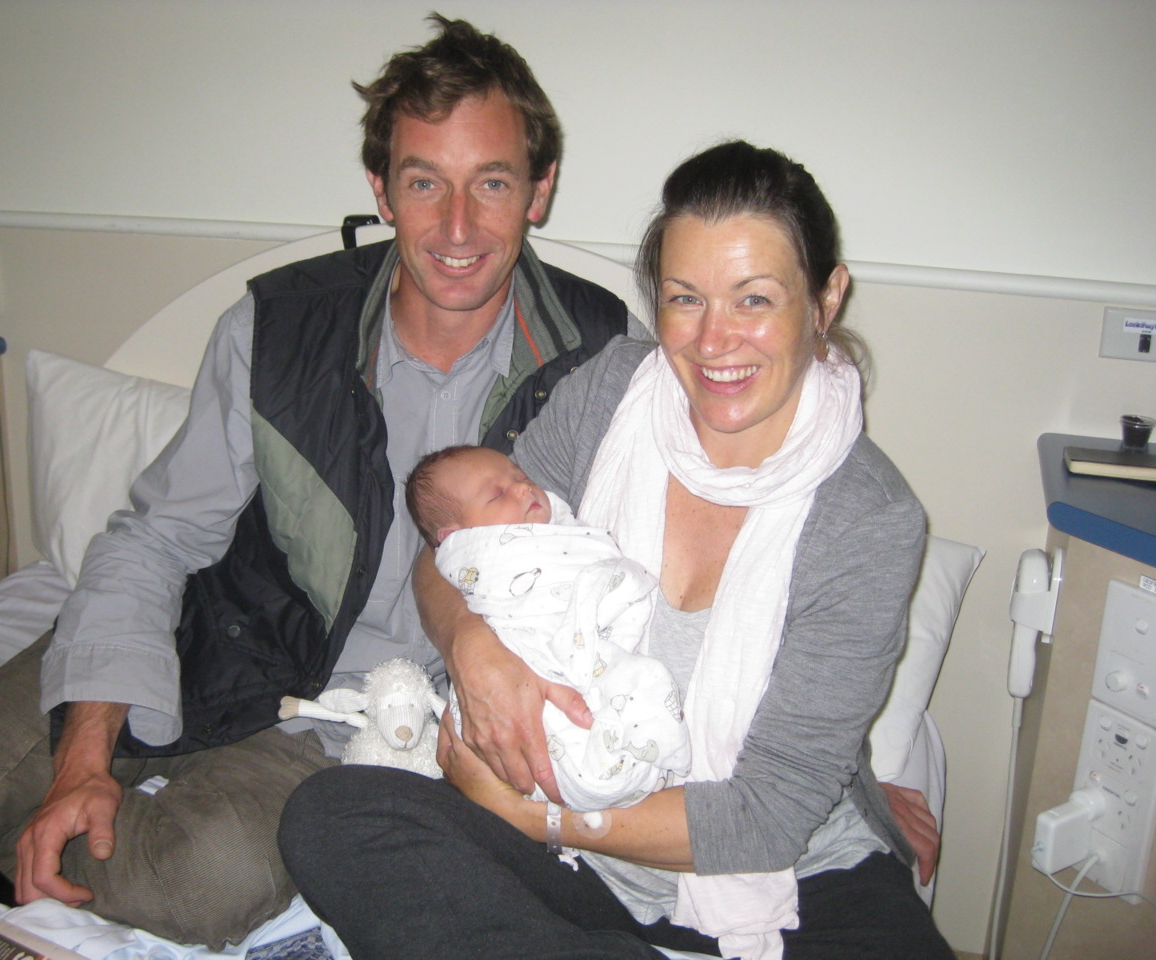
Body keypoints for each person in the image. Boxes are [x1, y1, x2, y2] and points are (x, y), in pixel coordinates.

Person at [0, 16, 635, 947]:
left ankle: (2, 853)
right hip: (204, 639)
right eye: (423, 182)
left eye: (492, 183)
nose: (456, 226)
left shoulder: (601, 358)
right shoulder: (278, 328)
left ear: (539, 190)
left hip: (352, 724)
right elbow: (157, 537)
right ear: (381, 190)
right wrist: (81, 754)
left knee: (202, 883)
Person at [279, 140, 955, 960]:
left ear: (825, 299)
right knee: (331, 816)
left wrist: (533, 815)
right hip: (574, 866)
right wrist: (470, 643)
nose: (714, 341)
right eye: (685, 299)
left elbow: (767, 818)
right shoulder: (611, 394)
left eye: (754, 299)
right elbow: (449, 557)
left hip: (779, 875)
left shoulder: (869, 519)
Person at [406, 444, 690, 812]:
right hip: (527, 692)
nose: (523, 487)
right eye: (497, 494)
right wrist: (471, 642)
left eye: (521, 477)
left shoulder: (554, 531)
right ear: (458, 538)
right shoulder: (489, 560)